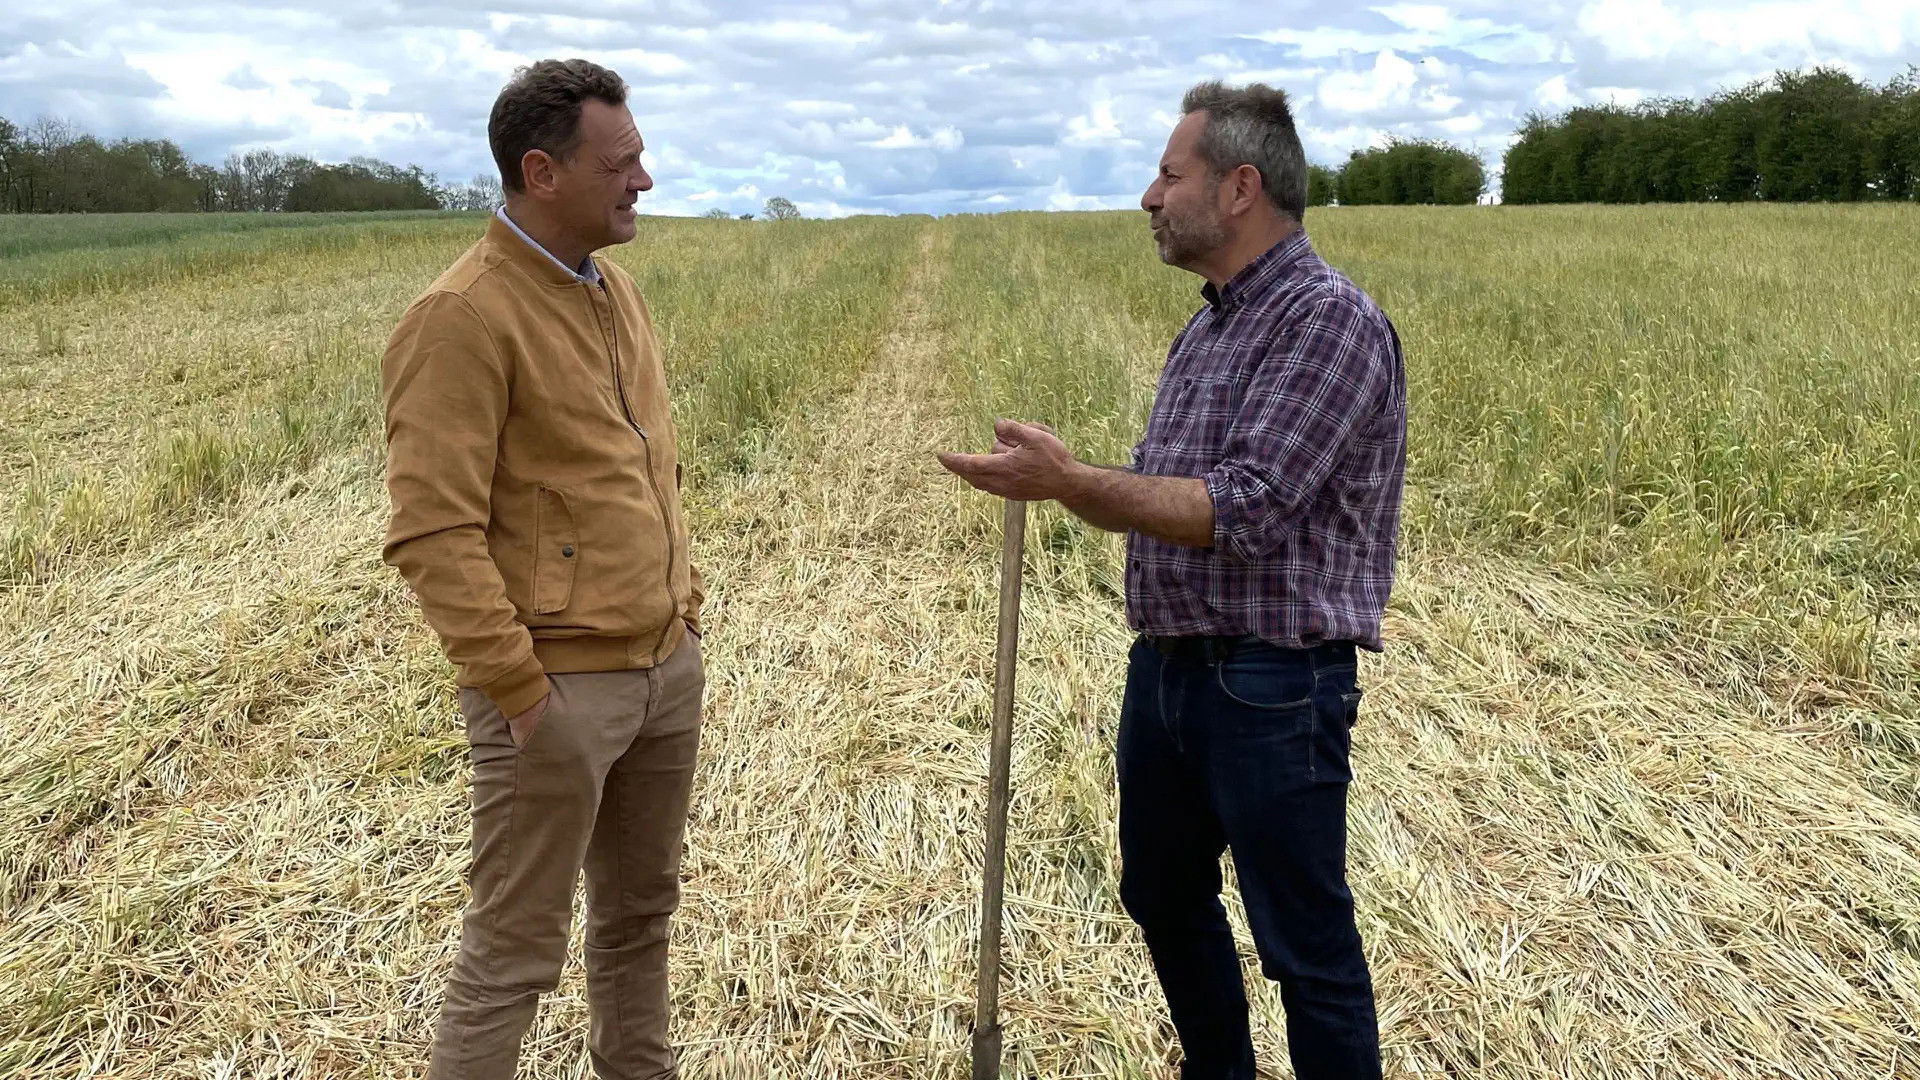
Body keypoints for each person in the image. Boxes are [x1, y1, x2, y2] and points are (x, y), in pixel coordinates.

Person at [937, 80, 1406, 1080]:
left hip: (1275, 684)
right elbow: (1167, 494)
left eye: (1168, 175)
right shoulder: (1207, 331)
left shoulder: (1327, 322)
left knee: (1304, 946)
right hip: (1168, 671)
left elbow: (1245, 509)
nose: (1151, 198)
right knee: (1161, 893)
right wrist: (1066, 479)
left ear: (1240, 188)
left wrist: (1070, 482)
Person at [380, 58, 705, 1080]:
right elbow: (432, 531)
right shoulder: (462, 318)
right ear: (541, 172)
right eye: (621, 162)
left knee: (640, 920)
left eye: (640, 156)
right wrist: (521, 693)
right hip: (557, 690)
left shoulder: (616, 291)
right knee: (513, 954)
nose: (643, 178)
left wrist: (684, 616)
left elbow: (643, 470)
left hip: (663, 670)